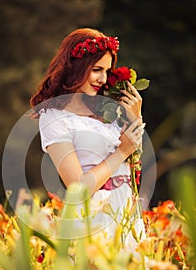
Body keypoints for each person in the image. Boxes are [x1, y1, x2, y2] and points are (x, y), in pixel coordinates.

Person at [30, 28, 146, 249]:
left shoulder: (107, 112)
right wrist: (122, 151)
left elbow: (133, 165)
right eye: (96, 70)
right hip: (95, 221)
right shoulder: (54, 118)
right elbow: (78, 188)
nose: (103, 79)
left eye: (107, 71)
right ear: (76, 68)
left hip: (127, 216)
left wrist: (135, 117)